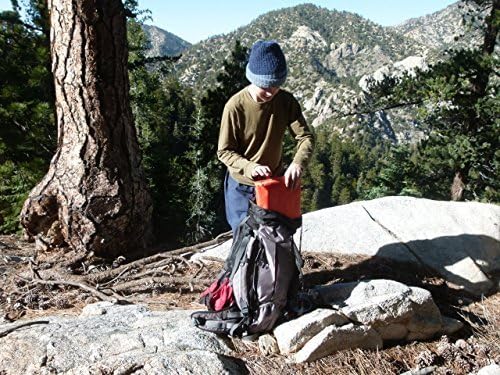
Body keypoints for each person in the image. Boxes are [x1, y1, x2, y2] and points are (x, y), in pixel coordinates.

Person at [217, 40, 315, 234]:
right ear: (253, 79)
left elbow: (305, 137)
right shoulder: (235, 106)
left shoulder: (286, 102)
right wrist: (250, 167)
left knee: (275, 238)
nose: (271, 92)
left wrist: (297, 163)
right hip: (242, 187)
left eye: (276, 85)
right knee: (244, 238)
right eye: (265, 86)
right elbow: (224, 151)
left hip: (273, 184)